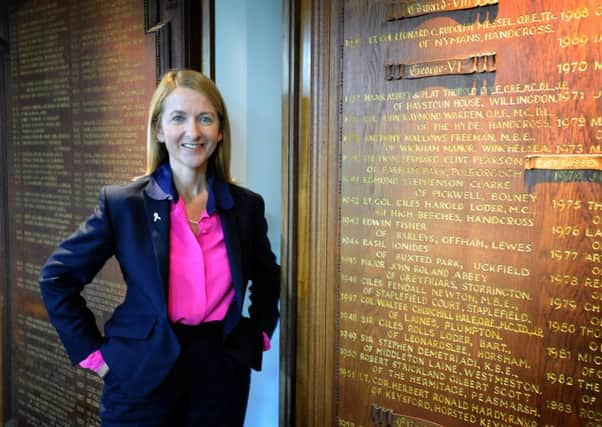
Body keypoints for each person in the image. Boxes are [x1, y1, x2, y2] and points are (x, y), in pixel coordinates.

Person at [39, 69, 280, 426]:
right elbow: (57, 278)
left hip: (221, 370)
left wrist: (258, 332)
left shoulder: (245, 207)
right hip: (140, 370)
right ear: (159, 130)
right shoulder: (123, 204)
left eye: (205, 119)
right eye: (178, 118)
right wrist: (94, 355)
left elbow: (266, 274)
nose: (193, 132)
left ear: (220, 130)